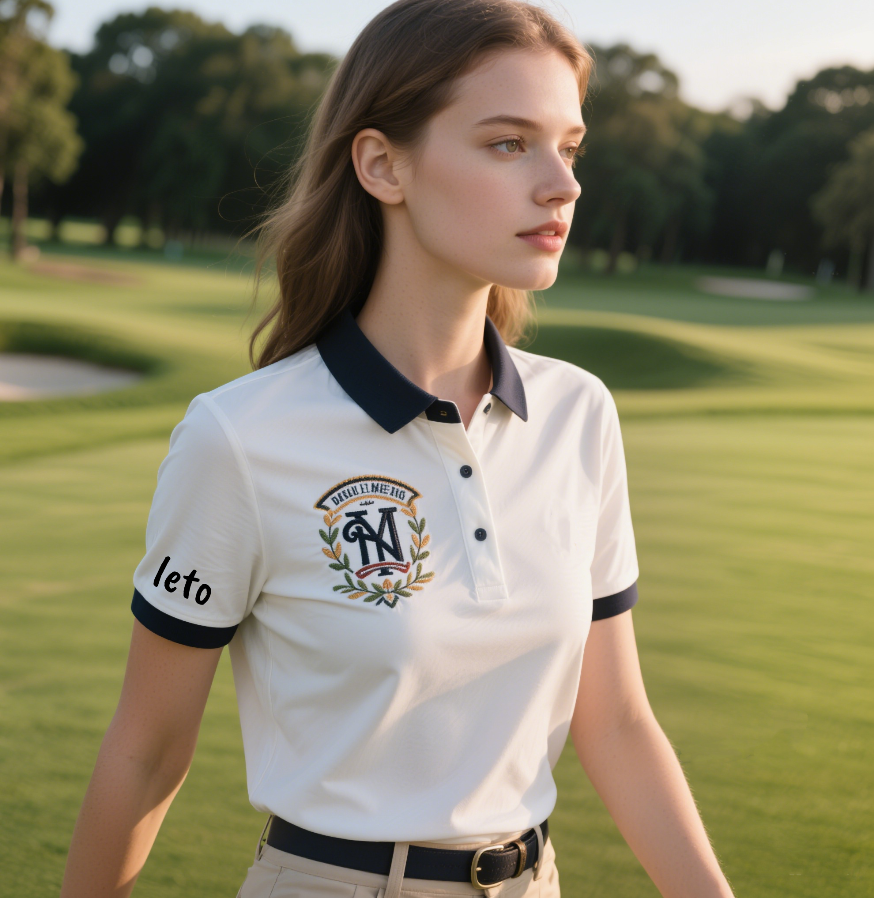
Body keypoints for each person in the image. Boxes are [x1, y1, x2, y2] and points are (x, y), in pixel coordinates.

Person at [59, 1, 737, 897]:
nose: (562, 185)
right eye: (508, 143)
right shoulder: (242, 438)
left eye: (568, 147)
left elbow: (615, 723)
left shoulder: (580, 412)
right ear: (383, 164)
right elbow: (145, 755)